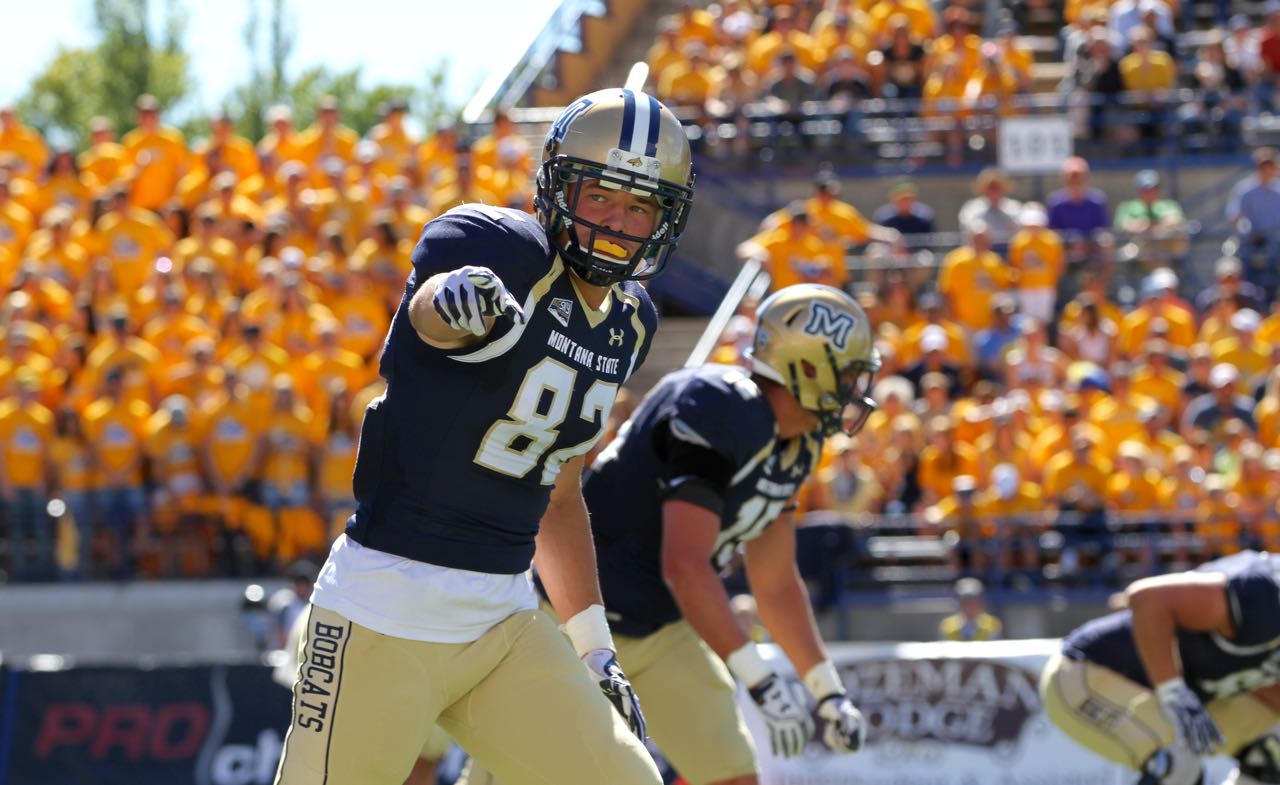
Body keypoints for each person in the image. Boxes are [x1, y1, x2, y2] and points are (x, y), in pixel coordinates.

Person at [272, 87, 695, 785]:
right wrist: (453, 298)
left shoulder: (630, 322)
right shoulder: (502, 251)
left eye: (640, 205)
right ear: (558, 187)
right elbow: (432, 314)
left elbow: (560, 494)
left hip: (502, 618)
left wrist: (595, 649)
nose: (617, 221)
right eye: (598, 196)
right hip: (384, 608)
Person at [464, 284, 876, 785]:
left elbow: (775, 581)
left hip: (661, 629)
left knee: (733, 777)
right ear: (806, 366)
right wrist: (760, 680)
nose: (855, 388)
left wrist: (827, 690)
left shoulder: (798, 442)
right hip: (570, 619)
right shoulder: (718, 406)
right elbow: (684, 565)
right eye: (848, 373)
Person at [1040, 551, 1280, 785]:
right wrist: (1172, 691)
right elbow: (1147, 599)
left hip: (1173, 692)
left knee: (1274, 748)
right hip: (1087, 673)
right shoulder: (1265, 595)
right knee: (1178, 768)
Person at [938, 577, 1002, 641]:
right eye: (964, 600)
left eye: (973, 600)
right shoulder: (947, 625)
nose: (968, 605)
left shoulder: (992, 624)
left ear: (980, 601)